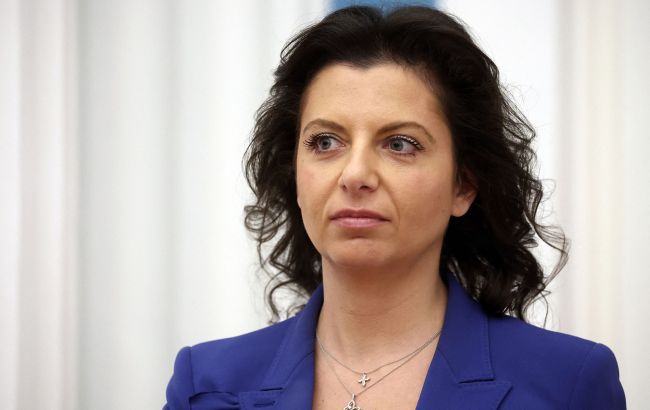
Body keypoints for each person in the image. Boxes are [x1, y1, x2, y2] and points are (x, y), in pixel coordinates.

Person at [163, 5, 625, 409]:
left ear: (463, 185)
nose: (355, 174)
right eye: (325, 142)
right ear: (295, 175)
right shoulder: (205, 383)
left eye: (400, 144)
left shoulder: (569, 382)